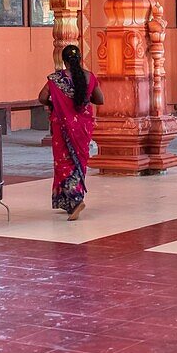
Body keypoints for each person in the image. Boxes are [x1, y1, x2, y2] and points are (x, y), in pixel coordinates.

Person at [38, 45, 104, 221]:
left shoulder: (56, 79)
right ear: (80, 58)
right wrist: (85, 98)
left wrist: (55, 103)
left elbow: (41, 97)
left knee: (64, 162)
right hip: (83, 127)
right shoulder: (89, 77)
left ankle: (75, 200)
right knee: (79, 161)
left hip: (63, 127)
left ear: (63, 60)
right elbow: (100, 99)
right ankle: (74, 198)